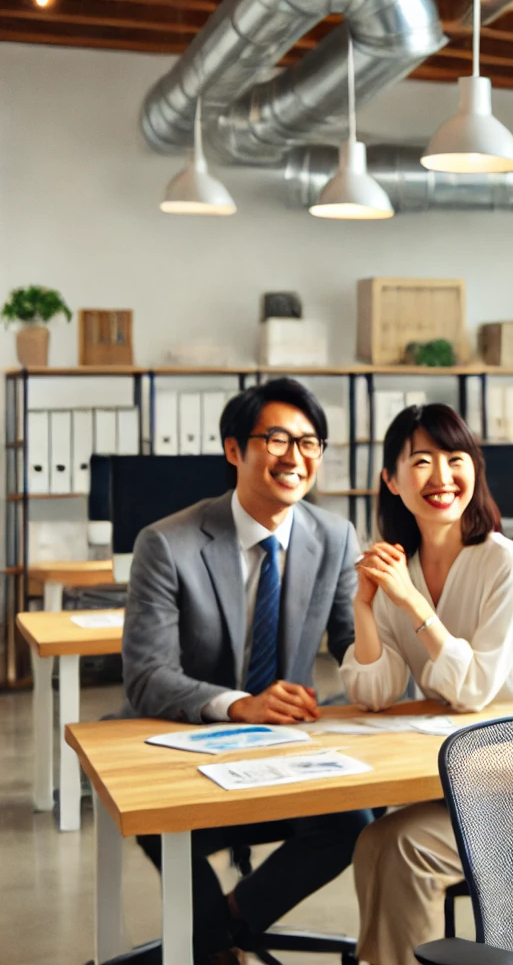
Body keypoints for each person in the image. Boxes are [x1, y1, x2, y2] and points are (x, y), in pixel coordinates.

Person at [121, 378, 370, 965]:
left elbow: (353, 645)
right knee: (163, 819)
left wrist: (400, 622)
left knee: (355, 821)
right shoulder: (167, 543)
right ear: (235, 449)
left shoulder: (333, 536)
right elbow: (146, 676)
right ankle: (212, 945)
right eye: (277, 439)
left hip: (287, 748)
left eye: (310, 443)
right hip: (187, 744)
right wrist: (240, 703)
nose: (296, 458)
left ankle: (221, 928)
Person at [342, 403, 513, 965]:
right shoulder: (399, 567)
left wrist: (411, 604)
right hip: (459, 769)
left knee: (400, 845)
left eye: (456, 459)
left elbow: (475, 688)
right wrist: (366, 608)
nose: (441, 476)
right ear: (390, 479)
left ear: (474, 471)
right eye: (421, 461)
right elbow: (374, 693)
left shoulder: (504, 563)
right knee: (378, 841)